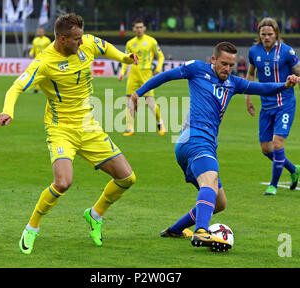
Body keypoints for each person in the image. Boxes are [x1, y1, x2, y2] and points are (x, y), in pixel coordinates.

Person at [130, 42, 300, 251]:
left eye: (231, 65)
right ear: (213, 60)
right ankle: (202, 231)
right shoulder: (196, 69)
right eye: (223, 64)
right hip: (194, 139)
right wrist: (138, 92)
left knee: (219, 203)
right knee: (209, 182)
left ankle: (175, 230)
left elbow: (262, 88)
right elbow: (165, 76)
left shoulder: (234, 83)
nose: (227, 69)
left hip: (200, 144)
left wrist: (285, 85)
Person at [0, 13, 139, 254]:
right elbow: (16, 87)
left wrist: (125, 58)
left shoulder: (86, 43)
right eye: (76, 39)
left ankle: (95, 214)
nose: (81, 42)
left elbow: (106, 48)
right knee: (63, 182)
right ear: (62, 39)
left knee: (127, 178)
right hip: (61, 129)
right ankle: (32, 228)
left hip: (88, 126)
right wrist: (7, 110)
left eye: (82, 37)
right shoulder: (44, 63)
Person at [245, 17, 300, 195]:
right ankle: (293, 169)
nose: (266, 37)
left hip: (285, 103)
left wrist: (296, 78)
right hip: (266, 105)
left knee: (277, 144)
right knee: (266, 149)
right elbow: (251, 73)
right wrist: (248, 98)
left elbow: (298, 70)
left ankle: (273, 186)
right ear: (259, 35)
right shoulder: (254, 51)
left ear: (276, 34)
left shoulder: (286, 52)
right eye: (263, 34)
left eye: (270, 34)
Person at [118, 17, 165, 136]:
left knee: (150, 102)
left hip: (146, 74)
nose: (139, 29)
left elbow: (161, 56)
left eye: (141, 27)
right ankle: (130, 128)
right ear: (133, 29)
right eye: (137, 27)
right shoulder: (130, 43)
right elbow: (125, 59)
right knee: (130, 101)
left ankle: (160, 123)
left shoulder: (151, 41)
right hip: (133, 75)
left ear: (144, 28)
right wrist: (122, 72)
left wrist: (158, 68)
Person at [29, 27, 52, 93]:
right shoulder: (35, 40)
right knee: (35, 73)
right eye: (39, 32)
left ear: (44, 32)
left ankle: (49, 86)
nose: (40, 33)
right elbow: (33, 48)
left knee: (47, 74)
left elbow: (50, 48)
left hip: (45, 59)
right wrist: (31, 53)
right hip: (37, 59)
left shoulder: (47, 40)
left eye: (41, 32)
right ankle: (36, 88)